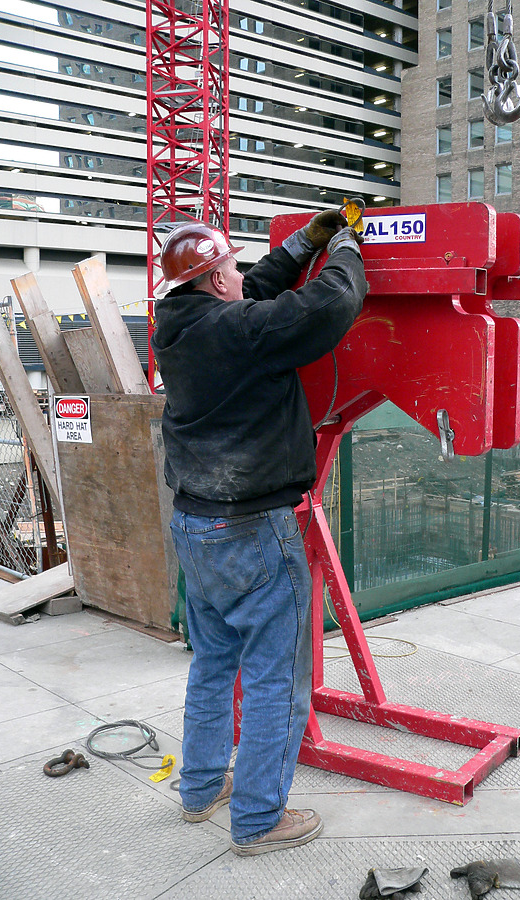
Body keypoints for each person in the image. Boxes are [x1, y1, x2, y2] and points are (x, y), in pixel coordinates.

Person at [151, 211, 367, 856]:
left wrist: (305, 242)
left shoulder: (177, 325)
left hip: (195, 523)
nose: (241, 277)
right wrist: (348, 248)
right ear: (216, 282)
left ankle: (199, 790)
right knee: (277, 679)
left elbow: (251, 293)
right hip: (252, 530)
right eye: (231, 269)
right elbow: (329, 305)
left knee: (214, 664)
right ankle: (258, 820)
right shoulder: (241, 333)